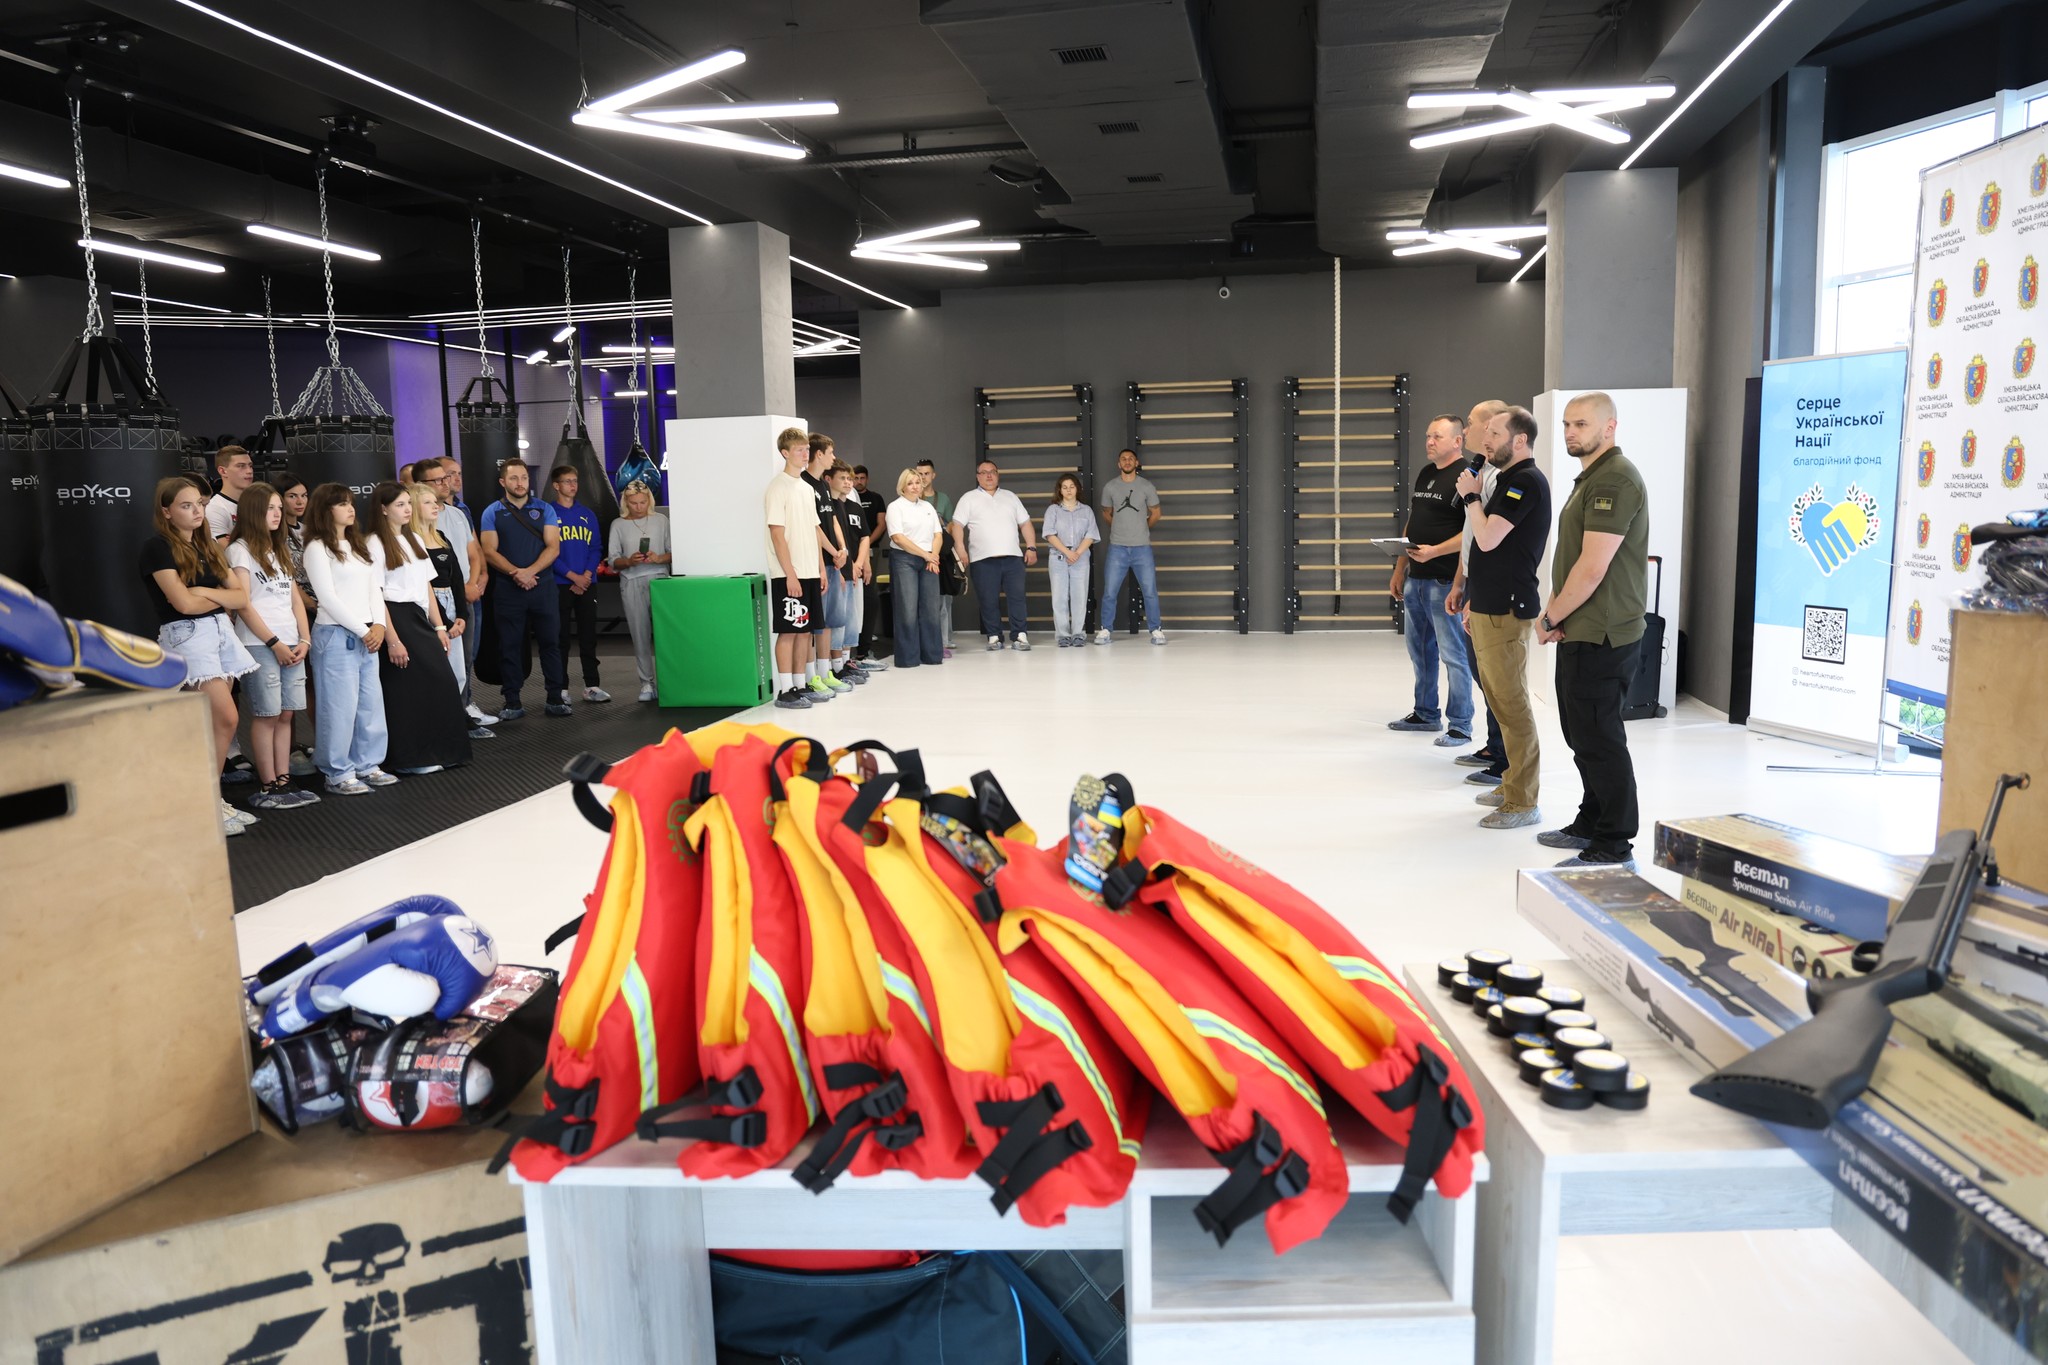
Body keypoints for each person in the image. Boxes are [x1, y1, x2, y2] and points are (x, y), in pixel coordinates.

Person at [1536, 392, 1650, 867]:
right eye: (1567, 424)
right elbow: (1574, 561)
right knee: (1581, 734)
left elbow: (1592, 567)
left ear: (1609, 427)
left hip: (1604, 633)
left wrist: (1551, 616)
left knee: (1600, 739)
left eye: (1581, 424)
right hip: (1582, 628)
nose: (1570, 432)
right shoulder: (1592, 478)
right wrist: (1558, 613)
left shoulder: (1615, 480)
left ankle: (1614, 843)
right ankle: (1592, 821)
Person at [141, 476, 257, 835]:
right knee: (226, 718)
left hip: (220, 633)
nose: (196, 511)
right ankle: (205, 803)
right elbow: (183, 604)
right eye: (186, 505)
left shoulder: (207, 545)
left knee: (214, 723)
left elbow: (241, 597)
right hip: (187, 636)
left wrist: (205, 592)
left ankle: (208, 800)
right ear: (167, 511)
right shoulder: (157, 547)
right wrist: (217, 596)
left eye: (200, 504)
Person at [1458, 407, 1551, 830]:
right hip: (1488, 606)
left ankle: (1523, 801)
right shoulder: (1508, 480)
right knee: (1498, 699)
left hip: (1508, 610)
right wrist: (1473, 600)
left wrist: (1471, 497)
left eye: (1494, 433)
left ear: (1519, 440)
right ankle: (1511, 781)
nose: (1485, 440)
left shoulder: (1525, 481)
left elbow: (1488, 538)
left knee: (1512, 706)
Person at [370, 481, 472, 775]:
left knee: (441, 682)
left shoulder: (413, 538)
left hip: (419, 616)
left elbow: (426, 585)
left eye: (408, 503)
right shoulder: (375, 543)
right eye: (400, 504)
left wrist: (439, 625)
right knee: (407, 689)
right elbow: (376, 594)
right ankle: (410, 759)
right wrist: (392, 639)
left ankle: (441, 750)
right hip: (394, 616)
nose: (407, 509)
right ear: (383, 509)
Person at [301, 483, 396, 795]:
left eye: (351, 503)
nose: (350, 508)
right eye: (342, 503)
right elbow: (327, 597)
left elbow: (374, 589)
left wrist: (379, 625)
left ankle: (368, 764)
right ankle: (337, 772)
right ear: (326, 509)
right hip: (336, 635)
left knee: (371, 704)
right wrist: (364, 630)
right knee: (338, 708)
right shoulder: (317, 548)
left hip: (367, 632)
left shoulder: (358, 545)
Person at [226, 482, 315, 811]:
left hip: (292, 641)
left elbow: (295, 600)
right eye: (270, 509)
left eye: (279, 508)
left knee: (287, 713)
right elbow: (244, 604)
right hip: (260, 643)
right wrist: (274, 642)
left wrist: (304, 639)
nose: (277, 514)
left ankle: (283, 779)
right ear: (253, 512)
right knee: (267, 714)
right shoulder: (239, 550)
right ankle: (268, 785)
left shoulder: (279, 549)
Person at [1387, 415, 1475, 743]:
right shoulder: (1426, 473)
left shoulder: (1467, 476)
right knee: (1420, 651)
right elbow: (1414, 522)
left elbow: (1472, 531)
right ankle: (1425, 714)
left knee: (1454, 655)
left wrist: (1435, 551)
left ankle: (1460, 725)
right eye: (1428, 436)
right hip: (1416, 579)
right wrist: (1400, 568)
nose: (1429, 441)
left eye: (1437, 436)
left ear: (1458, 441)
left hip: (1445, 582)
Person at [1447, 399, 1511, 785]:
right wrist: (1460, 582)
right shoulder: (1479, 471)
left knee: (1494, 676)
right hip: (1473, 581)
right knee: (1480, 672)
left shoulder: (1499, 477)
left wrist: (1476, 593)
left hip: (1489, 587)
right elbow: (1471, 535)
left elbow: (1493, 543)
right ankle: (1493, 745)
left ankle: (1505, 758)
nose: (1467, 429)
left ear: (1490, 426)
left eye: (1471, 422)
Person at [479, 459, 569, 720]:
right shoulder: (492, 512)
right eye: (514, 478)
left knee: (551, 644)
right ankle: (512, 701)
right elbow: (488, 551)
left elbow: (553, 547)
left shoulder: (544, 509)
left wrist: (530, 572)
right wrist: (516, 573)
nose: (520, 483)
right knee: (509, 645)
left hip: (543, 587)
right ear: (503, 482)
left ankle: (555, 698)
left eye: (524, 478)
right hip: (508, 590)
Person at [408, 482, 489, 741]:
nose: (435, 507)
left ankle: (456, 718)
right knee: (435, 671)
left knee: (458, 670)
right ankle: (438, 726)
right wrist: (443, 621)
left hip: (453, 604)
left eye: (435, 502)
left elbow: (455, 578)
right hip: (428, 609)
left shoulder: (441, 536)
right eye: (428, 502)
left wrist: (462, 615)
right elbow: (424, 585)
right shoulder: (411, 542)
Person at [420, 457, 495, 729]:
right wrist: (460, 588)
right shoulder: (418, 522)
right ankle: (444, 722)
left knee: (465, 660)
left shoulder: (458, 514)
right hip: (436, 600)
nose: (447, 482)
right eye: (439, 479)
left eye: (447, 477)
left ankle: (462, 712)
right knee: (439, 664)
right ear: (421, 485)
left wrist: (472, 584)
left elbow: (473, 553)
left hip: (465, 597)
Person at [766, 427, 827, 709]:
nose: (805, 454)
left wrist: (821, 568)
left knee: (806, 631)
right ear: (785, 453)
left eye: (807, 450)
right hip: (788, 574)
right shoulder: (777, 487)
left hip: (809, 572)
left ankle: (801, 685)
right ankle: (785, 689)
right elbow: (777, 534)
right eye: (800, 450)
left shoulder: (806, 487)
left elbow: (814, 530)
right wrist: (790, 574)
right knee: (789, 631)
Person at [952, 458, 1039, 651]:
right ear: (978, 477)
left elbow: (1025, 523)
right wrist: (960, 548)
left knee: (1017, 598)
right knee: (988, 600)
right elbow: (957, 525)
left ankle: (1020, 635)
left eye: (992, 472)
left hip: (1013, 558)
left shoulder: (1010, 497)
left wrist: (1031, 547)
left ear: (998, 475)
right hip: (982, 560)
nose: (989, 476)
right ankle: (994, 636)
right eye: (984, 472)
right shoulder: (968, 498)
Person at [274, 470, 320, 779]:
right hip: (293, 612)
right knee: (290, 687)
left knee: (316, 684)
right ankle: (288, 750)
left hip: (317, 609)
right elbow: (290, 582)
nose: (300, 501)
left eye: (304, 495)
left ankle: (323, 742)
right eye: (292, 496)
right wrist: (313, 605)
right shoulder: (274, 536)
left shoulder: (306, 530)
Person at [549, 464, 608, 703]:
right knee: (560, 637)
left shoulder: (587, 514)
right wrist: (573, 576)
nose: (573, 485)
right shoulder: (548, 513)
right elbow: (549, 551)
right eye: (567, 481)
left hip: (587, 582)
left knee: (588, 636)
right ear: (556, 485)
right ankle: (561, 688)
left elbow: (596, 548)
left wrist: (585, 576)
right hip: (560, 583)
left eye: (575, 480)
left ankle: (592, 685)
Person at [608, 479, 671, 702]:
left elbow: (674, 552)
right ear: (626, 502)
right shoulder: (618, 524)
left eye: (642, 502)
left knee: (665, 635)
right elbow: (613, 561)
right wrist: (629, 561)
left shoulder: (661, 520)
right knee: (640, 634)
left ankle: (668, 681)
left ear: (649, 500)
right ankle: (646, 683)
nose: (638, 507)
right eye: (634, 503)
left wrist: (658, 558)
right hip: (631, 580)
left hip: (660, 580)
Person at [1096, 447, 1165, 645]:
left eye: (1131, 459)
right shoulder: (1110, 487)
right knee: (1110, 592)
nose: (1127, 461)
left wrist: (1142, 527)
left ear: (1136, 463)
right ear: (1119, 464)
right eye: (1123, 459)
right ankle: (1106, 629)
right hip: (1117, 547)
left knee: (1149, 591)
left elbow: (1156, 513)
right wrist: (1119, 528)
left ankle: (1156, 630)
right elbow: (1106, 513)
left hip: (1142, 547)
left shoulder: (1146, 486)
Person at [805, 434, 852, 698]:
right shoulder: (804, 484)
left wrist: (842, 549)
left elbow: (831, 520)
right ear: (819, 454)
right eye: (831, 452)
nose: (834, 457)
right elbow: (814, 527)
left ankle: (825, 673)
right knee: (815, 624)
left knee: (829, 622)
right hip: (816, 563)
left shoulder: (823, 486)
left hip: (833, 562)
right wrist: (834, 552)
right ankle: (811, 677)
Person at [886, 466, 946, 669]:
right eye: (910, 483)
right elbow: (898, 538)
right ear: (902, 486)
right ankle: (908, 659)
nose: (914, 486)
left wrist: (933, 557)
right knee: (907, 609)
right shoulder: (895, 507)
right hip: (905, 559)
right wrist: (926, 555)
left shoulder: (927, 507)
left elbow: (938, 535)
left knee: (931, 608)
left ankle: (932, 655)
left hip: (929, 560)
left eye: (918, 482)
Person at [827, 461, 876, 685]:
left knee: (852, 619)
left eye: (850, 479)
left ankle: (847, 662)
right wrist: (847, 565)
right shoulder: (830, 506)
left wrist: (860, 562)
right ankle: (834, 666)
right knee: (838, 620)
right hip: (838, 569)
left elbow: (865, 537)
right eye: (844, 478)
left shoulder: (855, 507)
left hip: (854, 569)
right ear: (829, 480)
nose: (848, 483)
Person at [1042, 474, 1098, 646]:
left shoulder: (1086, 511)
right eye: (1064, 487)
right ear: (1059, 490)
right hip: (1058, 557)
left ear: (1077, 489)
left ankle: (1078, 634)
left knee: (1079, 597)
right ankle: (1063, 635)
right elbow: (1049, 534)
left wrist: (1077, 553)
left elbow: (1091, 535)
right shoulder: (1053, 510)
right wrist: (1067, 552)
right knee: (1059, 597)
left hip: (1080, 558)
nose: (1068, 490)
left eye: (1072, 486)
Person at [914, 458, 958, 655]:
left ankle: (944, 639)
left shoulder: (943, 499)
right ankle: (926, 639)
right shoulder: (912, 498)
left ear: (933, 475)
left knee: (944, 599)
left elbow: (951, 526)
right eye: (919, 474)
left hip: (940, 554)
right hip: (918, 553)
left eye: (926, 474)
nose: (923, 477)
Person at [852, 464, 888, 663]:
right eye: (855, 478)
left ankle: (866, 638)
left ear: (867, 479)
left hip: (871, 551)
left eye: (862, 478)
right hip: (850, 553)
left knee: (869, 593)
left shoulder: (876, 498)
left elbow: (881, 524)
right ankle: (854, 643)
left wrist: (867, 542)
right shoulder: (846, 499)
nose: (858, 481)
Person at [206, 445, 256, 540]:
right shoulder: (215, 508)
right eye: (241, 466)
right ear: (223, 471)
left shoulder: (259, 503)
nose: (249, 471)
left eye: (250, 466)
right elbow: (225, 548)